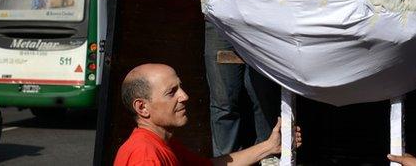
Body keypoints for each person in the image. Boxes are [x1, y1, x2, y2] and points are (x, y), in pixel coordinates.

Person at [177, 0, 281, 158]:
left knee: (263, 95)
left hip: (262, 15)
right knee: (224, 100)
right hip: (220, 17)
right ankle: (225, 159)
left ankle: (268, 159)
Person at [113, 63, 299, 166]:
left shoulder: (162, 143)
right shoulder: (145, 156)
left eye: (180, 87)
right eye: (171, 92)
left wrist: (270, 146)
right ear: (142, 107)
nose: (184, 96)